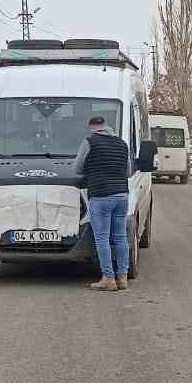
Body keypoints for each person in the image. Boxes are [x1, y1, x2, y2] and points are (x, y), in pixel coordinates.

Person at [73, 113, 131, 290]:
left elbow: (77, 168)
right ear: (106, 126)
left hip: (101, 195)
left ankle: (108, 278)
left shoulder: (89, 142)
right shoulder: (122, 144)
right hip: (122, 195)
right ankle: (123, 277)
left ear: (91, 128)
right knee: (120, 237)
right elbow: (128, 171)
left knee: (102, 238)